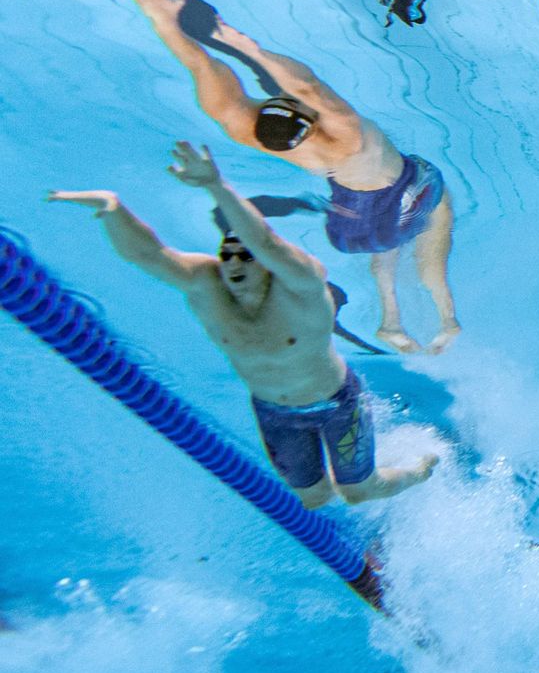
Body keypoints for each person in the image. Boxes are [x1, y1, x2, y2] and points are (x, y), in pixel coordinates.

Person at [50, 142, 437, 508]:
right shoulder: (206, 282)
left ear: (266, 263)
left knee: (358, 492)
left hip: (336, 403)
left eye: (244, 256)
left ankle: (418, 469)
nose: (233, 264)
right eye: (227, 255)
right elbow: (149, 255)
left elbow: (267, 243)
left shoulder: (300, 284)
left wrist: (215, 186)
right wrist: (112, 209)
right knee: (314, 499)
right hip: (275, 412)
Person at [123, 0, 459, 353]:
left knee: (383, 245)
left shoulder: (246, 129)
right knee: (437, 221)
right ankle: (446, 318)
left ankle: (391, 321)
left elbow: (201, 65)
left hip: (348, 226)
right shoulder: (347, 134)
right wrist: (251, 50)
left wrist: (163, 22)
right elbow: (310, 86)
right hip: (402, 190)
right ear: (310, 123)